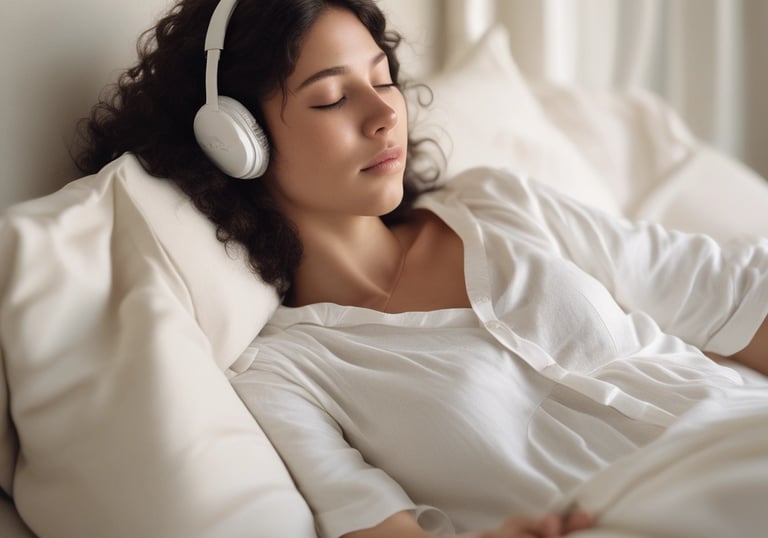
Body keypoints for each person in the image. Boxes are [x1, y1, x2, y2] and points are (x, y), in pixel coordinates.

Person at [75, 0, 768, 537]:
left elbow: (726, 295)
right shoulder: (285, 374)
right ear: (236, 144)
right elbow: (375, 524)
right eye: (331, 97)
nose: (384, 115)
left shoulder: (497, 202)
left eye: (383, 81)